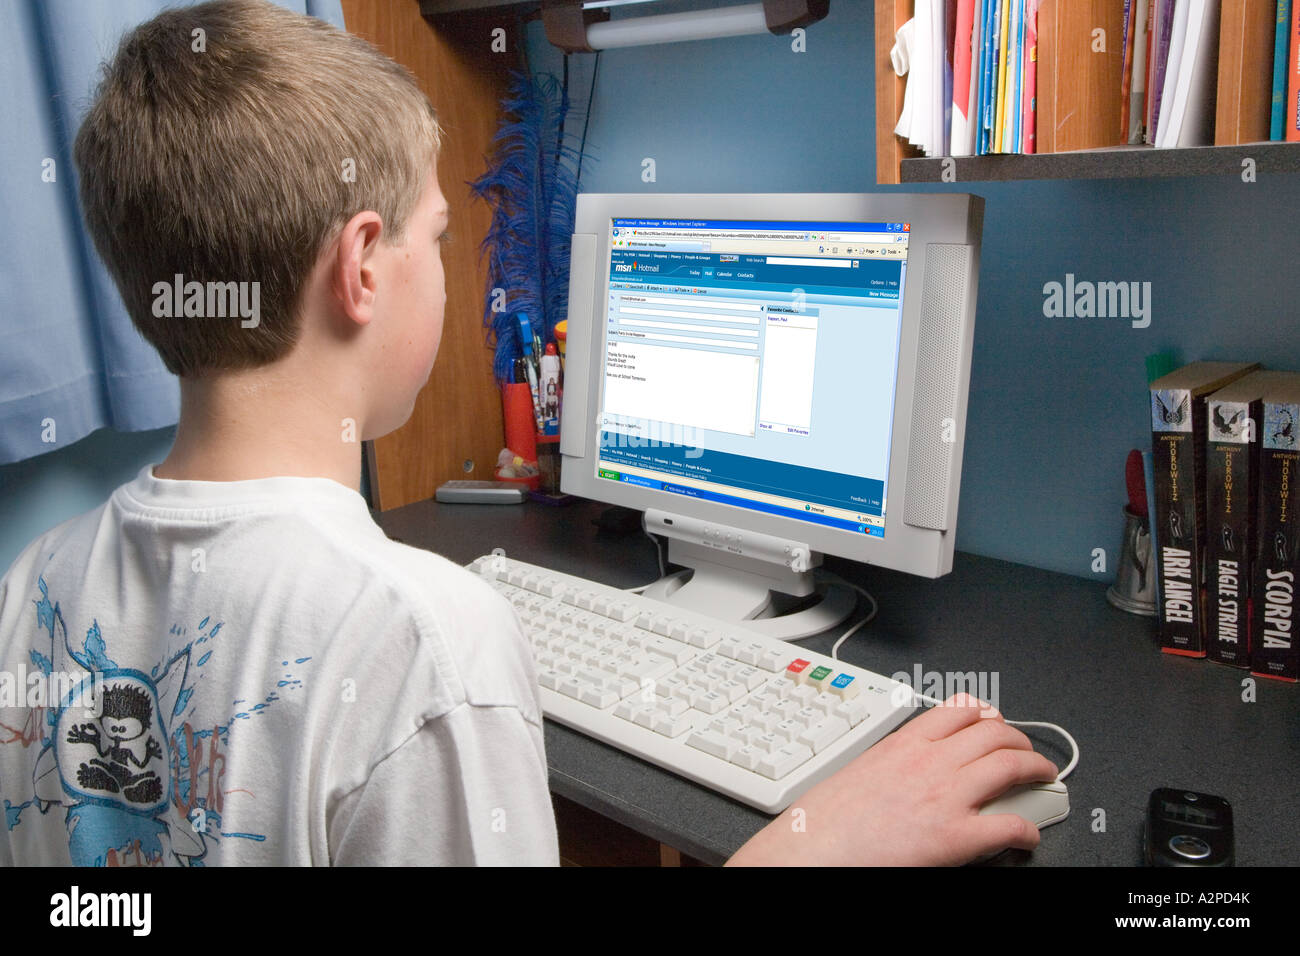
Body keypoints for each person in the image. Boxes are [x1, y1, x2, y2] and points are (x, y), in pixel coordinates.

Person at [0, 0, 1056, 867]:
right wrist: (822, 842)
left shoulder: (31, 587)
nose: (453, 262)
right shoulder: (422, 638)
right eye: (439, 234)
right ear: (363, 267)